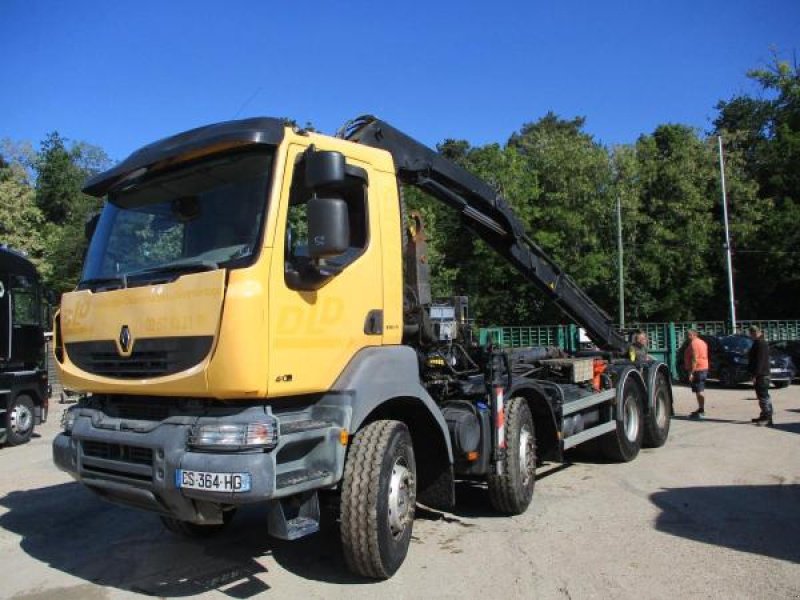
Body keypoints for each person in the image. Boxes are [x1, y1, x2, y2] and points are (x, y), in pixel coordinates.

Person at [747, 325, 773, 426]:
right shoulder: (759, 342)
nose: (751, 336)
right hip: (762, 374)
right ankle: (764, 415)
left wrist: (755, 375)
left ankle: (767, 418)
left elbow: (760, 361)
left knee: (763, 396)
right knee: (762, 396)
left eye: (751, 334)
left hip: (762, 375)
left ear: (755, 333)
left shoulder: (761, 343)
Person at [684, 329, 709, 419]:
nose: (688, 336)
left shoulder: (694, 344)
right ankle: (700, 408)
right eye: (687, 334)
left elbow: (694, 358)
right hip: (703, 367)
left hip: (698, 369)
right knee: (699, 389)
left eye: (689, 335)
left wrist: (691, 372)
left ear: (695, 335)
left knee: (699, 390)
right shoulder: (702, 342)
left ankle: (701, 410)